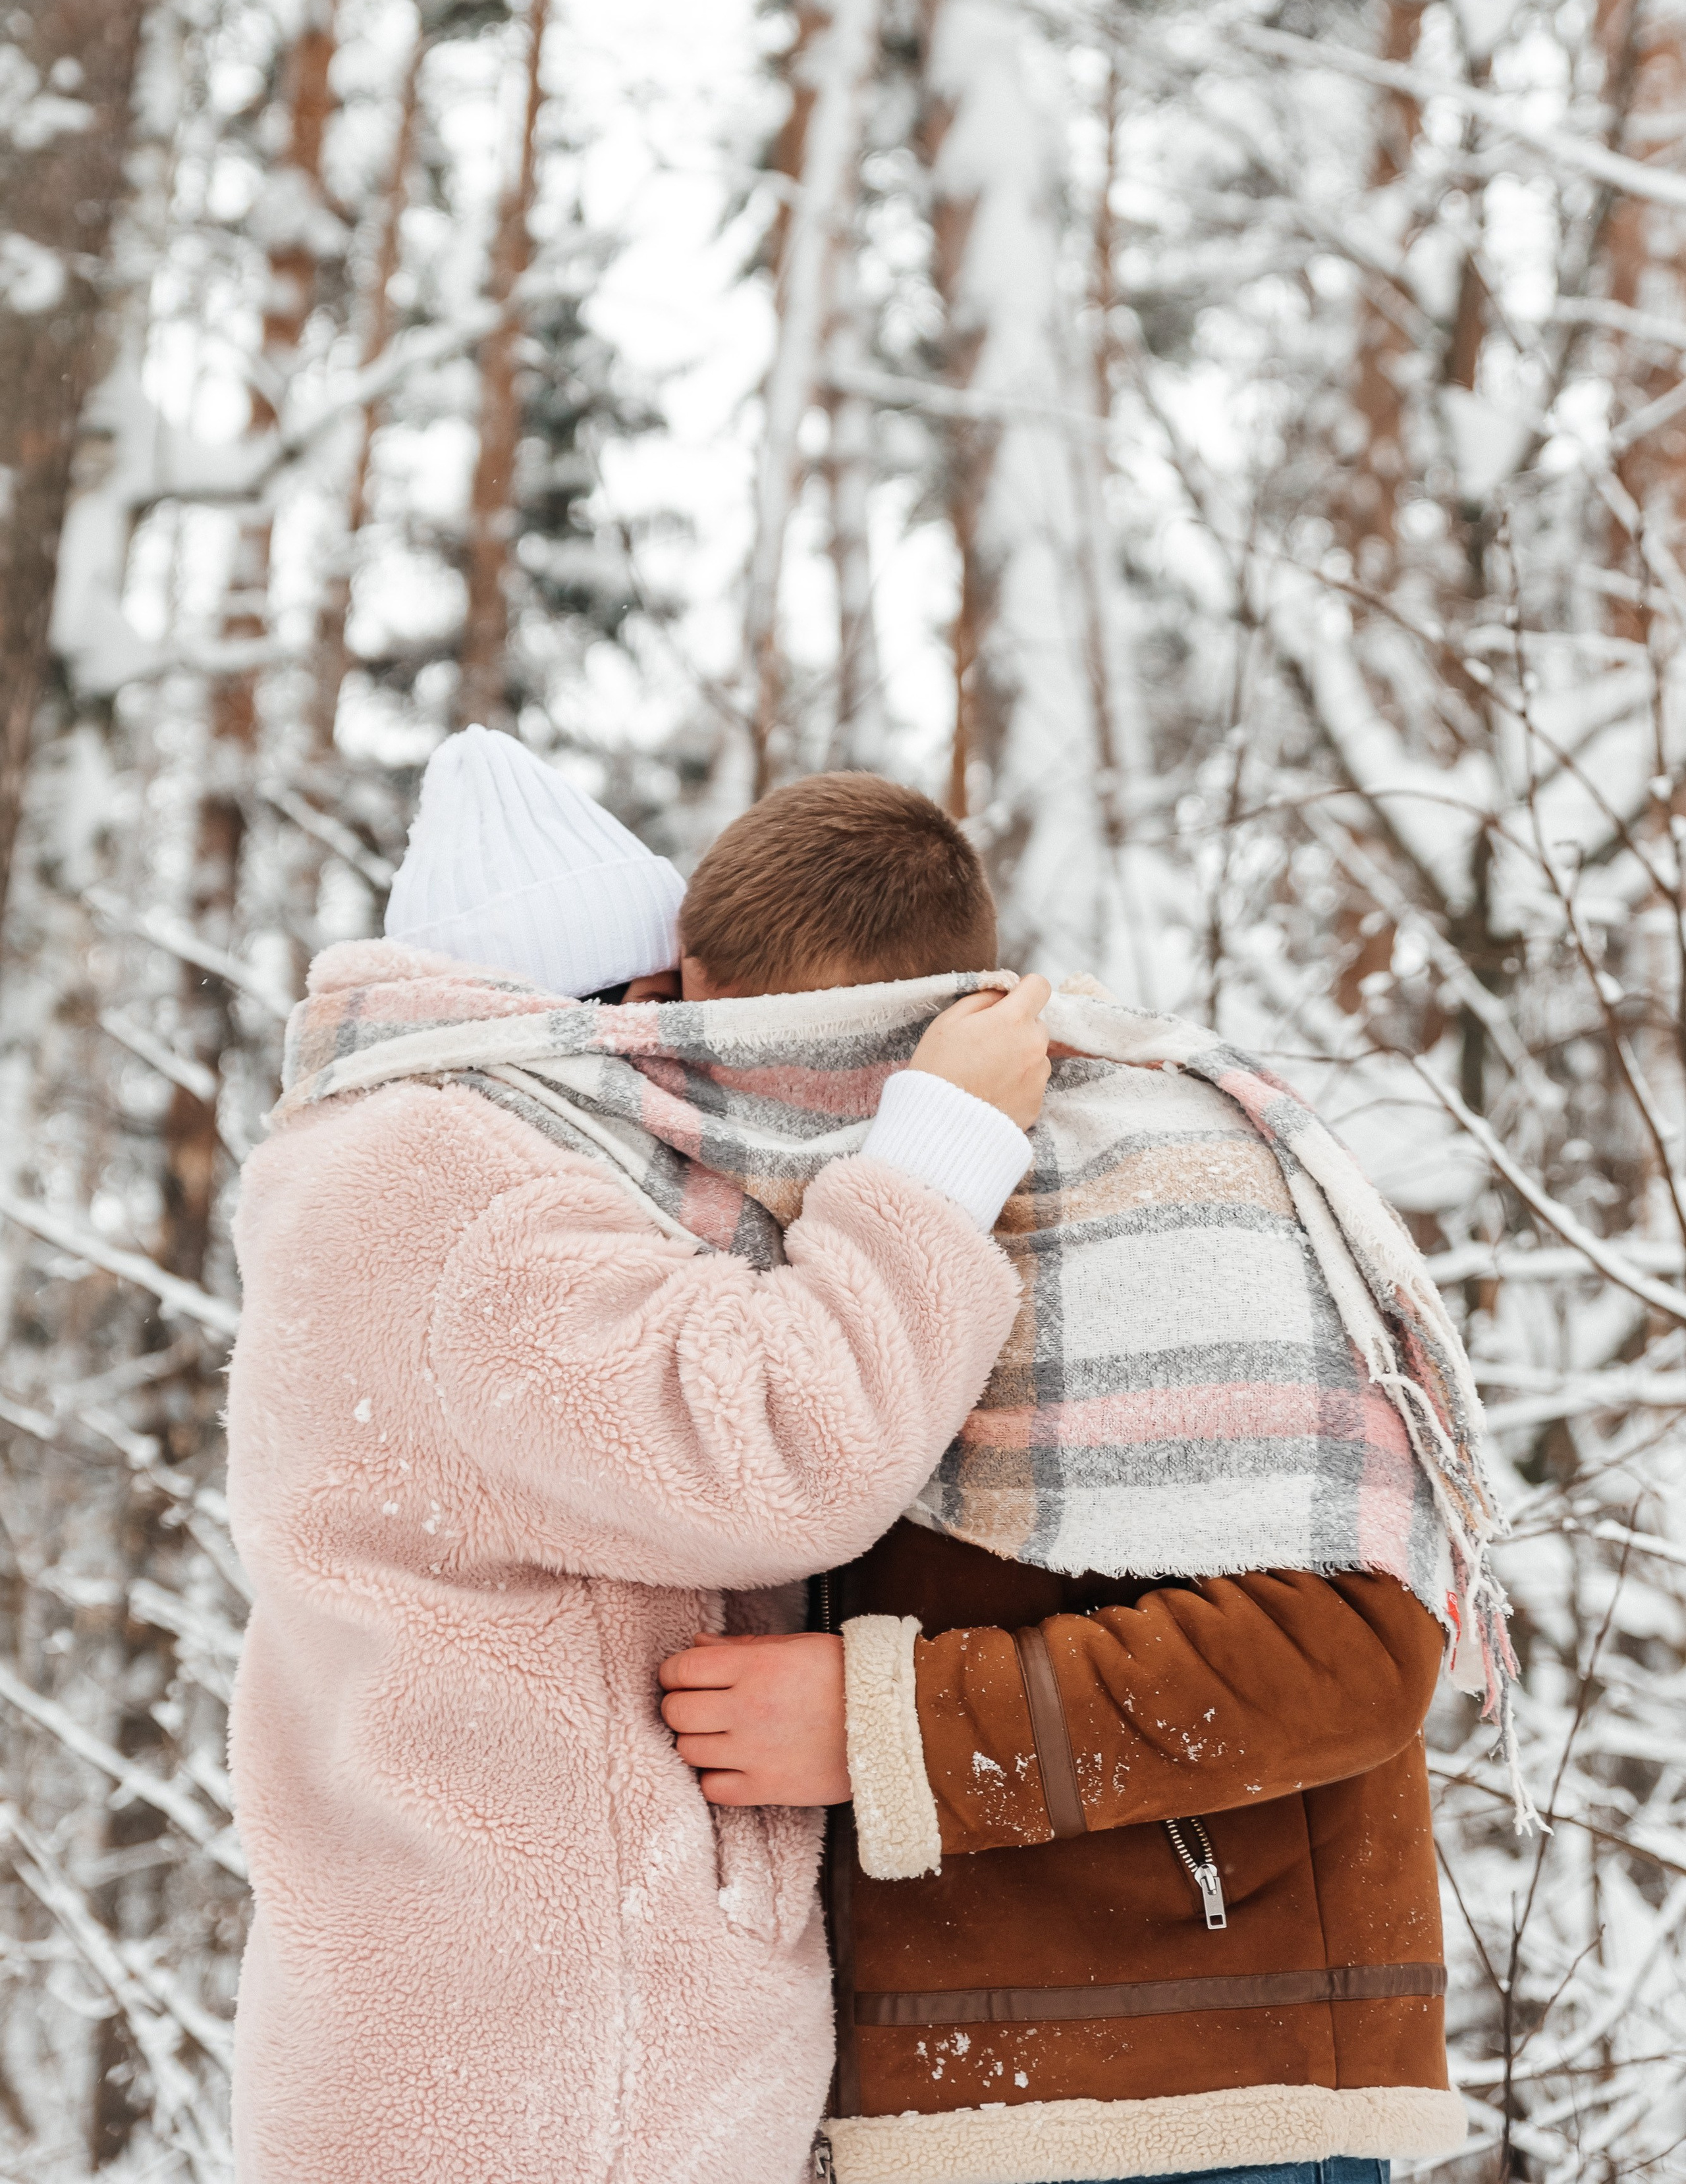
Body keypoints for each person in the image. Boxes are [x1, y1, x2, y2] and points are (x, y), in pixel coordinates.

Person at [224, 731, 1048, 2183]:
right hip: (555, 2079)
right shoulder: (464, 1190)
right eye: (680, 1022)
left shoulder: (386, 1174)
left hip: (480, 2046)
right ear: (608, 1006)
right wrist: (942, 1149)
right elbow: (782, 1449)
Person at [658, 807, 1492, 2184]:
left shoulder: (1170, 1187)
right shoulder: (809, 1216)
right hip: (907, 2111)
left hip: (1207, 2101)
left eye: (767, 1063)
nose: (729, 1106)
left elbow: (1354, 1650)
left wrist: (891, 1729)